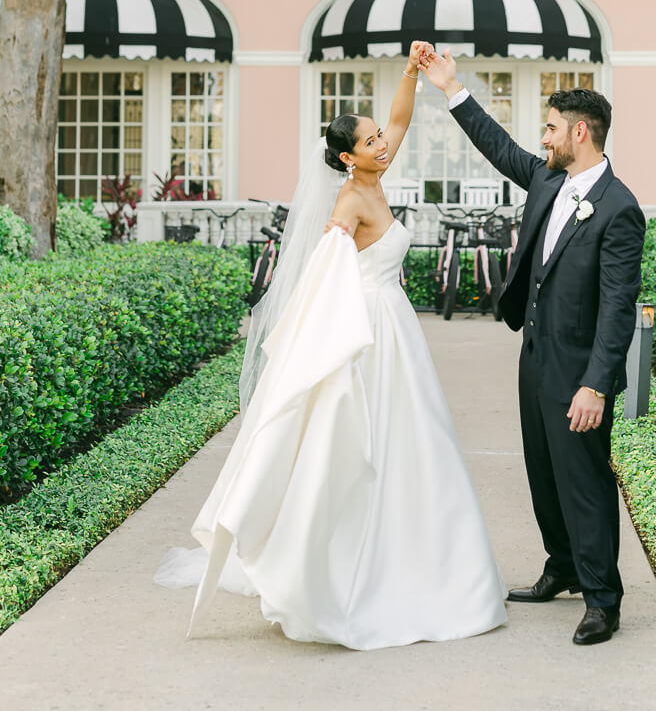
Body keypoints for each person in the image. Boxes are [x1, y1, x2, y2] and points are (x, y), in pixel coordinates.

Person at [155, 42, 507, 650]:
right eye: (369, 142)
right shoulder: (349, 199)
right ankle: (340, 568)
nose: (382, 144)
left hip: (398, 330)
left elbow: (398, 119)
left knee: (417, 439)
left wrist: (408, 74)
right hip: (367, 332)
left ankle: (427, 559)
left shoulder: (376, 171)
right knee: (359, 444)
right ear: (349, 157)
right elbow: (328, 261)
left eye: (378, 139)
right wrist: (332, 258)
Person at [419, 48, 645, 646]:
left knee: (584, 481)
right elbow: (500, 149)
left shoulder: (620, 209)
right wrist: (451, 89)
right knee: (542, 471)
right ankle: (561, 566)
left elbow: (620, 306)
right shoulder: (549, 177)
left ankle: (603, 600)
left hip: (579, 372)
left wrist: (596, 383)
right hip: (536, 356)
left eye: (549, 127)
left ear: (579, 131)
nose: (541, 138)